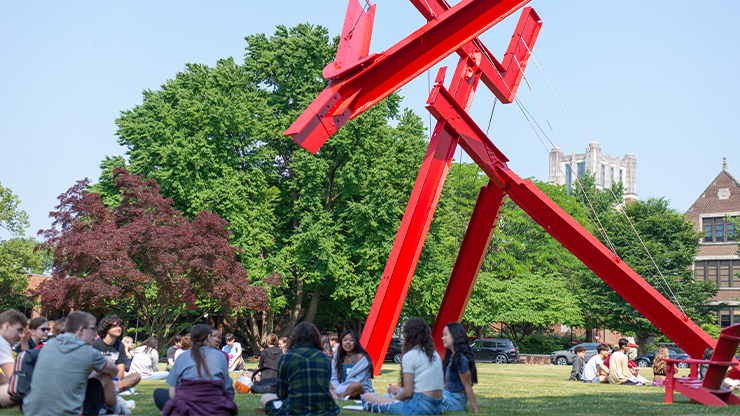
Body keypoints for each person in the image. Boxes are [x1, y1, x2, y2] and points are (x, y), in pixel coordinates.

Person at [22, 311, 125, 416]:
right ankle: (117, 410)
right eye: (92, 329)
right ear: (81, 330)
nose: (95, 334)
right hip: (69, 413)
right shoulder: (87, 351)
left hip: (32, 412)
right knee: (104, 374)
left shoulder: (48, 345)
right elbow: (114, 371)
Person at [362, 318, 444, 415]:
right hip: (437, 406)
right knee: (388, 395)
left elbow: (407, 392)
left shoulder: (410, 356)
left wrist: (395, 399)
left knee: (367, 396)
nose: (401, 338)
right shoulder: (435, 354)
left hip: (420, 406)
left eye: (403, 334)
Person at [154, 324, 237, 415]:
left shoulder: (182, 357)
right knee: (230, 388)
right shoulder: (221, 356)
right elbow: (225, 387)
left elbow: (172, 394)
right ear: (209, 337)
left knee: (158, 393)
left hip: (187, 405)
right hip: (214, 406)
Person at [260, 322, 340, 415]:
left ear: (294, 338)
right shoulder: (325, 359)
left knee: (265, 398)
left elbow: (281, 393)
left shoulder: (286, 357)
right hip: (323, 408)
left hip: (295, 408)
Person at [92, 315, 141, 392]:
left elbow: (121, 369)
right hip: (97, 378)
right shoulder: (95, 345)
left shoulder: (120, 346)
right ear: (106, 328)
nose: (119, 328)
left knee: (136, 376)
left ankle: (113, 389)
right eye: (114, 326)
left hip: (113, 379)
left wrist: (117, 380)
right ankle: (114, 390)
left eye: (120, 326)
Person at [440, 322, 478, 413]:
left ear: (454, 336)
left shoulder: (461, 360)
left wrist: (476, 411)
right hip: (446, 395)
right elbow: (444, 384)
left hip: (456, 402)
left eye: (445, 335)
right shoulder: (451, 357)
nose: (442, 338)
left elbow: (468, 387)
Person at [330, 329, 374, 400]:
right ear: (341, 342)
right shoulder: (337, 357)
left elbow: (358, 380)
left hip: (358, 390)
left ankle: (338, 397)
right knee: (322, 381)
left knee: (356, 386)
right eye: (345, 340)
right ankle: (338, 397)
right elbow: (333, 377)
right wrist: (336, 389)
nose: (348, 342)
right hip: (339, 389)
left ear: (355, 342)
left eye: (351, 340)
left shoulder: (360, 357)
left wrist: (337, 392)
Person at [0, 309, 29, 409]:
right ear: (7, 326)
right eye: (19, 330)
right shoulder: (2, 343)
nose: (20, 335)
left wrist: (24, 343)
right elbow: (17, 381)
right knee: (27, 389)